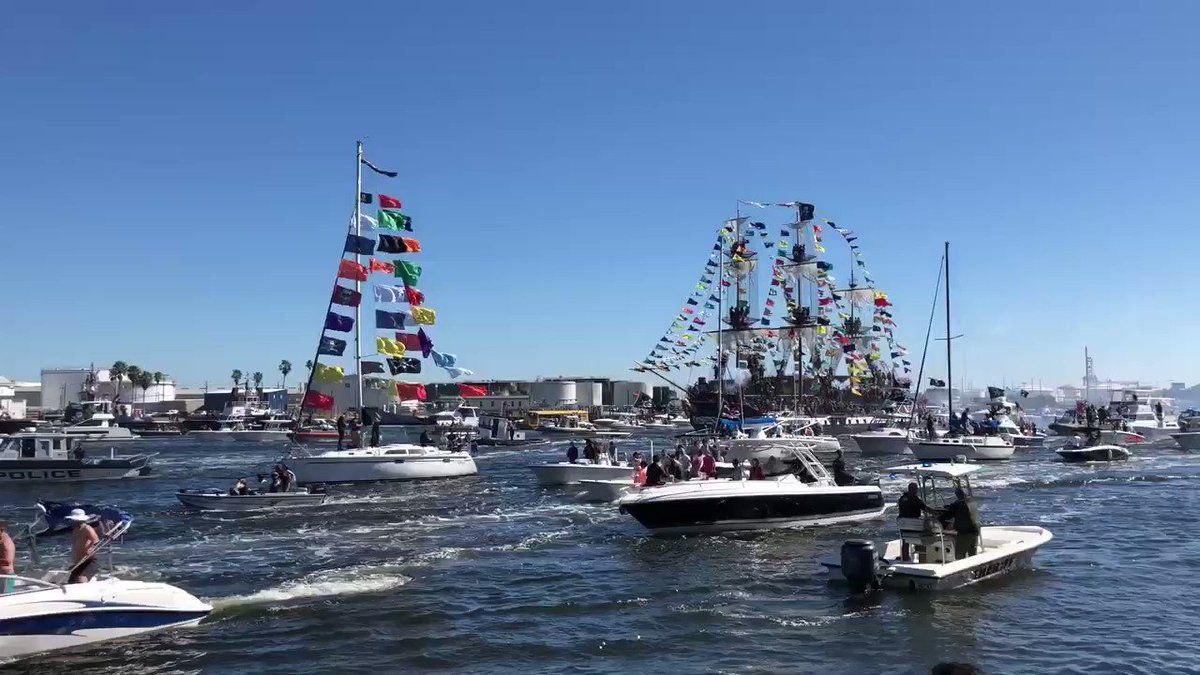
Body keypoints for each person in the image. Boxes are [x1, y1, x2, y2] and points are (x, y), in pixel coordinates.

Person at [941, 487, 982, 560]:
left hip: (965, 533)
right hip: (975, 532)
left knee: (959, 556)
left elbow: (946, 516)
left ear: (957, 495)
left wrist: (940, 519)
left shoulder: (957, 504)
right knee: (972, 555)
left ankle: (964, 571)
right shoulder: (972, 502)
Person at [896, 483, 929, 561]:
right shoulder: (915, 499)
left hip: (904, 529)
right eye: (916, 489)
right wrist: (936, 513)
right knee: (926, 536)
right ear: (914, 490)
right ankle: (922, 559)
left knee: (905, 541)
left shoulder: (902, 498)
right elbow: (925, 508)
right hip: (915, 529)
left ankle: (905, 558)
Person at [66, 509, 100, 584]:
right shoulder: (76, 530)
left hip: (89, 561)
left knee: (81, 579)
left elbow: (96, 541)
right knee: (71, 581)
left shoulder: (87, 528)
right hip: (79, 561)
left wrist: (91, 549)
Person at [0, 521, 15, 593]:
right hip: (8, 574)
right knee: (10, 594)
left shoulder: (6, 542)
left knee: (7, 596)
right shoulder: (3, 540)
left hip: (7, 575)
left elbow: (8, 560)